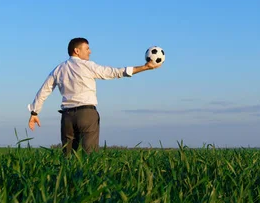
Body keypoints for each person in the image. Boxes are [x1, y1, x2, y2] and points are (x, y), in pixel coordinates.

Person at [27, 37, 161, 155]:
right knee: (90, 156)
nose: (90, 51)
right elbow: (115, 72)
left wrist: (34, 112)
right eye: (87, 48)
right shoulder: (88, 66)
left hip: (67, 117)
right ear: (77, 51)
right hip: (87, 114)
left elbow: (44, 90)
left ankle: (66, 183)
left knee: (67, 157)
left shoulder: (58, 69)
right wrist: (145, 68)